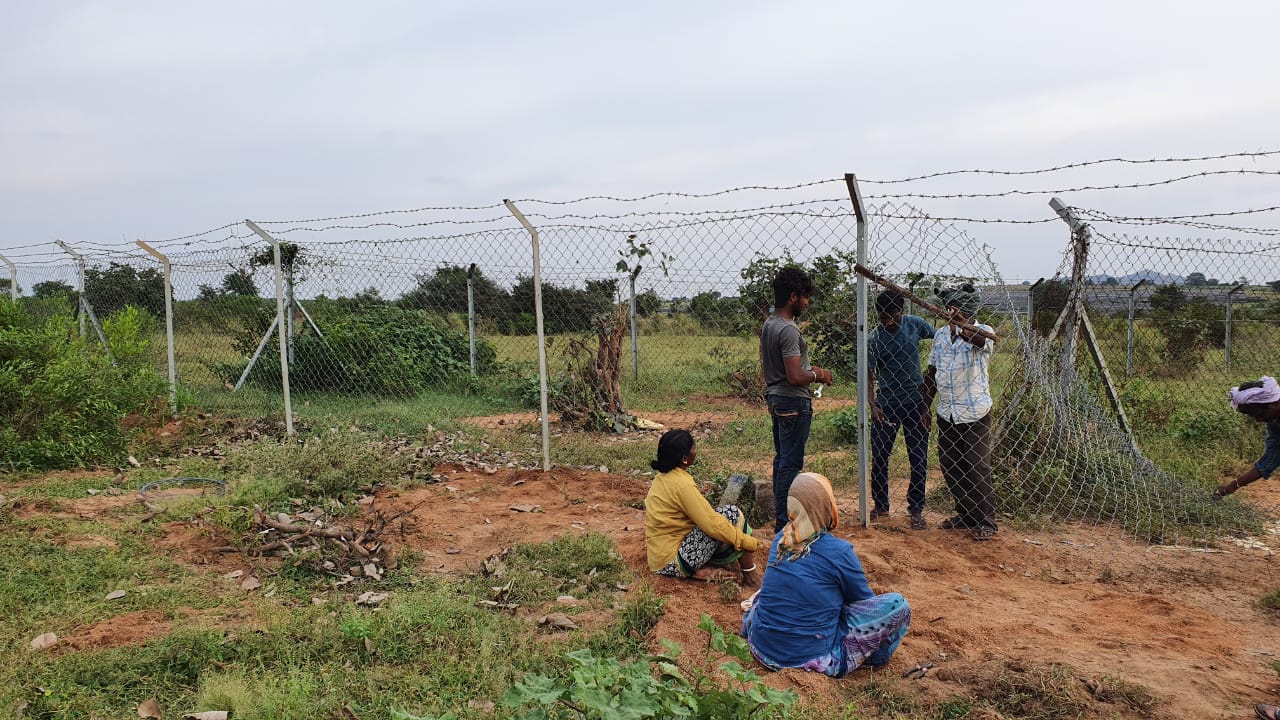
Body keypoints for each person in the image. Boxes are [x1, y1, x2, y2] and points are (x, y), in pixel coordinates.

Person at [740, 472, 911, 676]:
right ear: (825, 506)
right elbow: (863, 602)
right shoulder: (839, 552)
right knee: (898, 605)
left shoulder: (781, 539)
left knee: (766, 595)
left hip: (763, 650)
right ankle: (875, 658)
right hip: (812, 658)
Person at [922, 283, 998, 541]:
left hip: (974, 413)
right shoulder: (942, 335)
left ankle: (987, 520)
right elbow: (931, 373)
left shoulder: (984, 332)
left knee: (977, 467)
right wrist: (925, 407)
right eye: (951, 309)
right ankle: (966, 514)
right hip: (947, 413)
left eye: (958, 310)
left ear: (967, 311)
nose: (952, 312)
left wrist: (963, 325)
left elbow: (977, 340)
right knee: (951, 466)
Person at [761, 267, 834, 532]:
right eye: (805, 297)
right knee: (790, 464)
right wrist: (819, 374)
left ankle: (781, 519)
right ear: (793, 296)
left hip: (777, 398)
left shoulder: (770, 324)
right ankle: (785, 523)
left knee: (782, 460)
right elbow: (794, 375)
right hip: (793, 401)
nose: (807, 302)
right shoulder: (789, 330)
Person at [644, 429, 763, 585]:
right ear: (685, 459)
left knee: (721, 521)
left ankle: (699, 568)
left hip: (659, 557)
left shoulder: (663, 478)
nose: (696, 451)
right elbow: (711, 524)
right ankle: (750, 575)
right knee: (732, 515)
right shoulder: (682, 485)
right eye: (694, 448)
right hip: (672, 562)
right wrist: (748, 542)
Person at [868, 290, 935, 530]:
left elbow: (938, 339)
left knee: (918, 458)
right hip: (886, 403)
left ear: (902, 312)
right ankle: (881, 505)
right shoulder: (875, 338)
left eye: (892, 316)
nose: (888, 321)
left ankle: (916, 509)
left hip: (916, 402)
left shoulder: (914, 325)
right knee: (879, 456)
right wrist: (872, 404)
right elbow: (868, 373)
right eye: (883, 317)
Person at [1214, 376, 1280, 499]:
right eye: (1254, 416)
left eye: (1261, 414)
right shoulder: (1275, 424)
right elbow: (1269, 460)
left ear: (1275, 403)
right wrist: (1234, 485)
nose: (1259, 419)